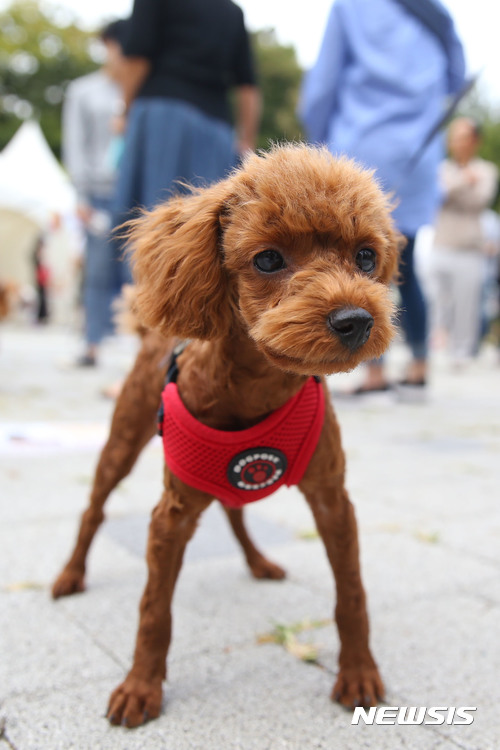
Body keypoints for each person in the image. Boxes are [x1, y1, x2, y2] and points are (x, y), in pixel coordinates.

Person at [299, 0, 466, 395]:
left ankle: (372, 371)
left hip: (363, 146)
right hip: (419, 153)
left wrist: (315, 147)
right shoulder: (433, 11)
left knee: (357, 264)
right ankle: (420, 363)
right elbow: (456, 80)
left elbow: (320, 89)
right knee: (401, 259)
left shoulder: (351, 7)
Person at [111, 0, 261, 276]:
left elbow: (137, 57)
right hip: (215, 130)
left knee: (148, 225)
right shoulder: (231, 11)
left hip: (162, 114)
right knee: (206, 233)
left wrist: (125, 110)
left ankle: (141, 310)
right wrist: (246, 141)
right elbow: (248, 87)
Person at [62, 20, 130, 367]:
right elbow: (75, 145)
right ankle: (92, 343)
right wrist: (81, 195)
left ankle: (139, 346)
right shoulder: (84, 91)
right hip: (98, 191)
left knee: (138, 270)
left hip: (134, 191)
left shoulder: (138, 92)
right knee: (98, 269)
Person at [431, 118, 498, 364]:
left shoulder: (487, 170)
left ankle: (461, 353)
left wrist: (453, 188)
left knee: (466, 304)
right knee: (437, 301)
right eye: (454, 136)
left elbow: (479, 200)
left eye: (462, 137)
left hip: (471, 249)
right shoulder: (440, 168)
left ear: (474, 141)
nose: (456, 142)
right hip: (441, 244)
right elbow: (437, 196)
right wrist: (464, 182)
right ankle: (435, 348)